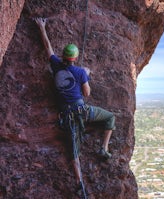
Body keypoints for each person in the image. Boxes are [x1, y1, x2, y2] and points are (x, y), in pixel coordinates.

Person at [34, 18, 115, 184]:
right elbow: (87, 93)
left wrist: (41, 27)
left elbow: (48, 47)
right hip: (82, 111)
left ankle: (79, 182)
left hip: (67, 116)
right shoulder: (80, 72)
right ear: (75, 58)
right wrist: (86, 75)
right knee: (110, 117)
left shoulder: (56, 65)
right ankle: (104, 148)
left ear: (63, 56)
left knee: (74, 151)